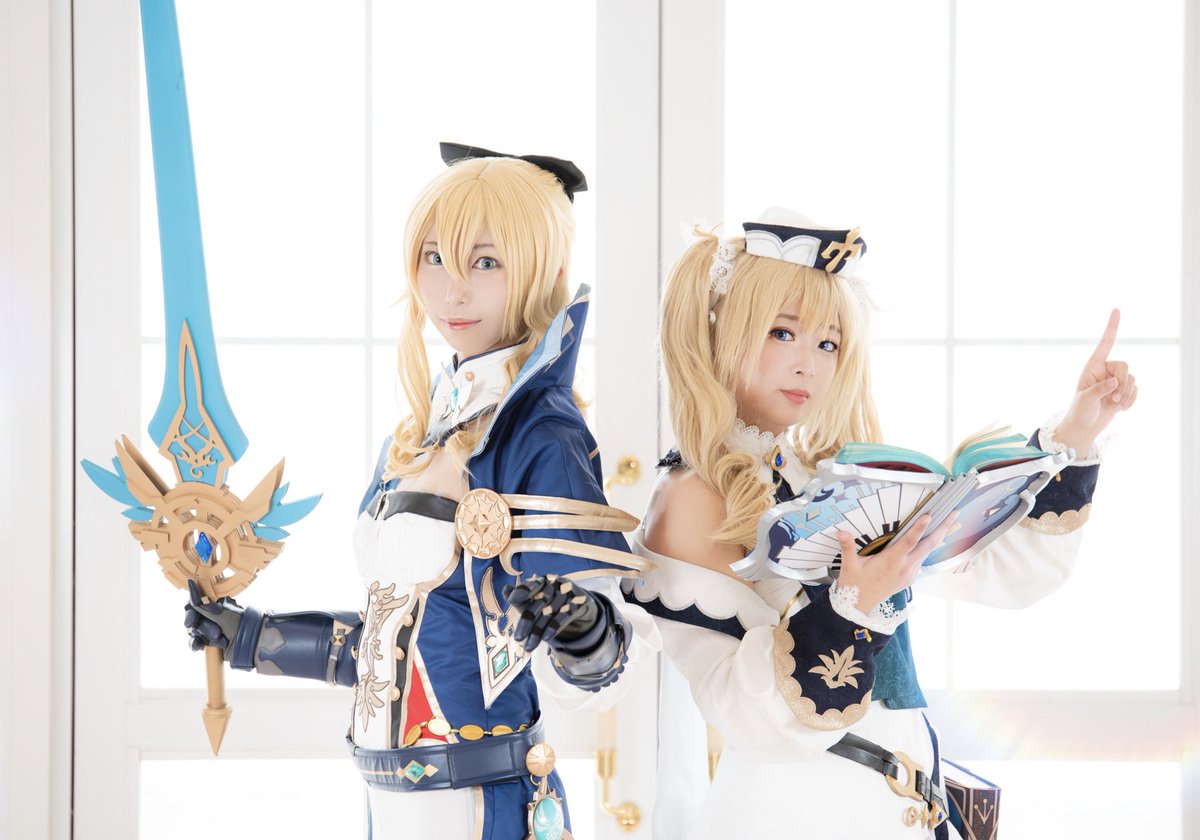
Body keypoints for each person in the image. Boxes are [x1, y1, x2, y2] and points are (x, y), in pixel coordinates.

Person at [185, 144, 660, 839]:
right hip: (395, 802)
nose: (451, 290)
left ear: (547, 272)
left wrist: (583, 628)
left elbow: (598, 666)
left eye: (486, 262)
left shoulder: (541, 434)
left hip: (481, 801)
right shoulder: (419, 434)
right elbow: (395, 643)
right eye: (434, 257)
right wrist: (254, 638)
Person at [625, 210, 1135, 839]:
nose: (809, 365)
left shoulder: (820, 476)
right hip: (793, 818)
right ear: (719, 332)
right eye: (782, 333)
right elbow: (743, 713)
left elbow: (1001, 575)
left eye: (827, 343)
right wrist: (851, 603)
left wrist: (1077, 431)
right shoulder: (692, 495)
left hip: (892, 806)